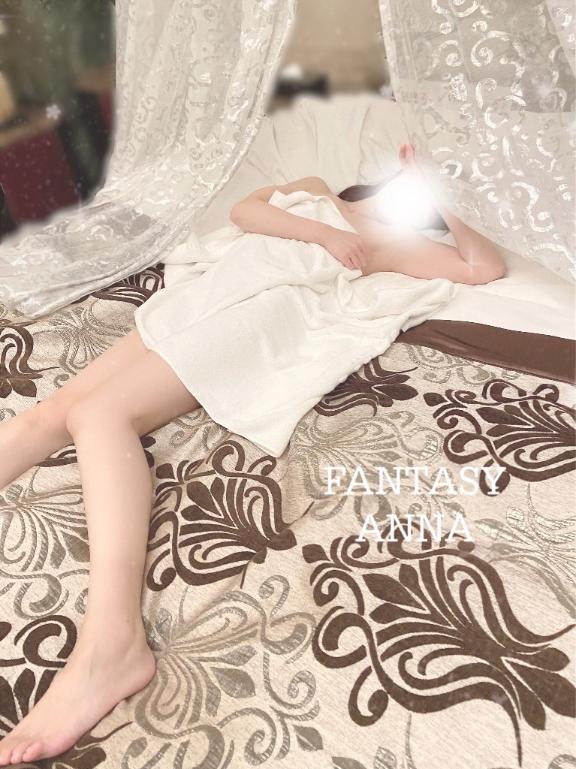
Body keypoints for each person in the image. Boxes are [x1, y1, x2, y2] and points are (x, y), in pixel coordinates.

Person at [0, 144, 506, 765]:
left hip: (261, 316)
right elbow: (245, 210)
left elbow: (482, 267)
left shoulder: (394, 242)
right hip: (204, 299)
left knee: (98, 415)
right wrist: (324, 230)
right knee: (49, 413)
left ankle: (113, 642)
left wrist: (449, 193)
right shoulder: (319, 188)